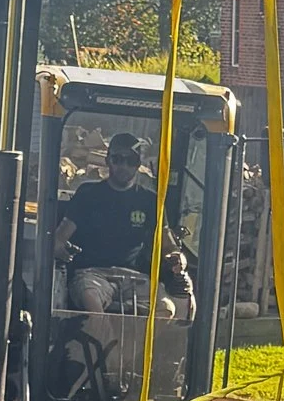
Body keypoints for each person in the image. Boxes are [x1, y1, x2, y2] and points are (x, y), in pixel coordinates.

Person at [55, 128, 187, 307]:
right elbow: (60, 237)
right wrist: (58, 247)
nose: (123, 166)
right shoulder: (87, 194)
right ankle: (102, 335)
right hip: (92, 274)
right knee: (90, 300)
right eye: (117, 159)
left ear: (138, 163)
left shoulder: (150, 201)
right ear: (108, 160)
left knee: (166, 308)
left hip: (135, 278)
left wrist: (176, 256)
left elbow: (168, 243)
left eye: (130, 160)